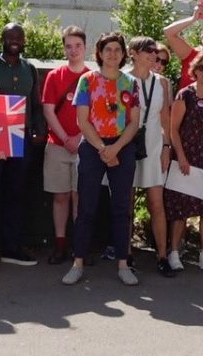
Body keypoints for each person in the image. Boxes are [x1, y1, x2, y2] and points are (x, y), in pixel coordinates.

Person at [61, 32, 141, 287]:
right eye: (108, 49)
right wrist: (102, 149)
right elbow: (82, 121)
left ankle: (122, 263)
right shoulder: (87, 81)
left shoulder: (131, 83)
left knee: (121, 208)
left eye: (117, 49)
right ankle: (78, 262)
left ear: (122, 54)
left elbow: (134, 122)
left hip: (122, 146)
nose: (113, 54)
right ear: (100, 53)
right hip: (93, 147)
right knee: (86, 207)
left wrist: (115, 149)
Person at [0, 23, 45, 268]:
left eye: (19, 36)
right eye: (10, 36)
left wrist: (40, 129)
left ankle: (11, 247)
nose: (15, 40)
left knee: (16, 194)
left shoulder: (30, 68)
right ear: (2, 38)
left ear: (24, 40)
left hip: (21, 138)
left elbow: (35, 103)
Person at [164, 50, 203, 273]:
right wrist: (180, 157)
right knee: (181, 209)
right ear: (195, 70)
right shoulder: (185, 95)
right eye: (202, 68)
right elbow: (173, 130)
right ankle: (173, 252)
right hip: (187, 159)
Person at [127, 36, 175, 277]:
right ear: (133, 52)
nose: (153, 54)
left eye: (155, 51)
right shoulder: (123, 79)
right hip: (127, 146)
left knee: (157, 203)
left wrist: (167, 147)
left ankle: (162, 256)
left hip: (155, 146)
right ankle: (125, 256)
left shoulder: (163, 83)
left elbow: (166, 118)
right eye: (147, 50)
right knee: (127, 204)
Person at [41, 26, 89, 264]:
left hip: (85, 146)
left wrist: (79, 137)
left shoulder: (93, 77)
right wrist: (66, 138)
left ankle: (80, 246)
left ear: (85, 47)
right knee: (60, 196)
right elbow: (48, 110)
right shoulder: (54, 76)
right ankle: (60, 244)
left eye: (77, 45)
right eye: (68, 46)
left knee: (80, 196)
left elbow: (97, 114)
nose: (73, 50)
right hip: (58, 145)